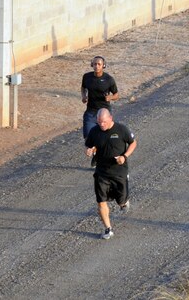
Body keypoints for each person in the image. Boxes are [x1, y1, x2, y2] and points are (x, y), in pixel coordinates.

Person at [85, 108, 137, 240]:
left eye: (104, 122)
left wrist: (124, 157)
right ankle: (108, 229)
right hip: (101, 172)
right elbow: (90, 145)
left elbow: (133, 143)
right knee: (101, 201)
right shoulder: (94, 131)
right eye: (99, 122)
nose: (101, 124)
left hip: (119, 172)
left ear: (110, 118)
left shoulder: (121, 129)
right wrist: (90, 150)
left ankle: (123, 202)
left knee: (121, 201)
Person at [81, 56, 119, 140]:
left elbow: (116, 95)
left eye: (99, 64)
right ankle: (93, 151)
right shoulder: (87, 77)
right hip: (91, 112)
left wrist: (111, 97)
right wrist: (84, 96)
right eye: (94, 64)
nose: (96, 66)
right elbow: (83, 87)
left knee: (105, 138)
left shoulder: (109, 79)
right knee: (88, 138)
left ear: (103, 66)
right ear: (92, 65)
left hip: (104, 112)